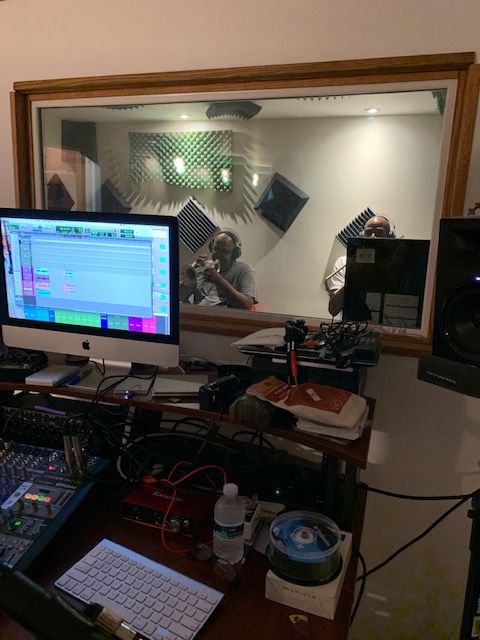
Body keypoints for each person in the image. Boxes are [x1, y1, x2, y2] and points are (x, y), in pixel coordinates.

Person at [326, 215, 394, 317]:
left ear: (390, 237)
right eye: (368, 233)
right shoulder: (344, 263)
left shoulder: (394, 265)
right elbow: (333, 309)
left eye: (379, 233)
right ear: (362, 235)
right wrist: (354, 274)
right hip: (352, 324)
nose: (373, 237)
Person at [179, 230, 258, 310]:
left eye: (224, 251)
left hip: (222, 317)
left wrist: (218, 279)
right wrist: (188, 282)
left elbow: (246, 305)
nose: (218, 255)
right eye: (216, 249)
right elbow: (180, 297)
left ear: (234, 254)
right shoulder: (202, 266)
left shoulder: (244, 271)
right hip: (196, 314)